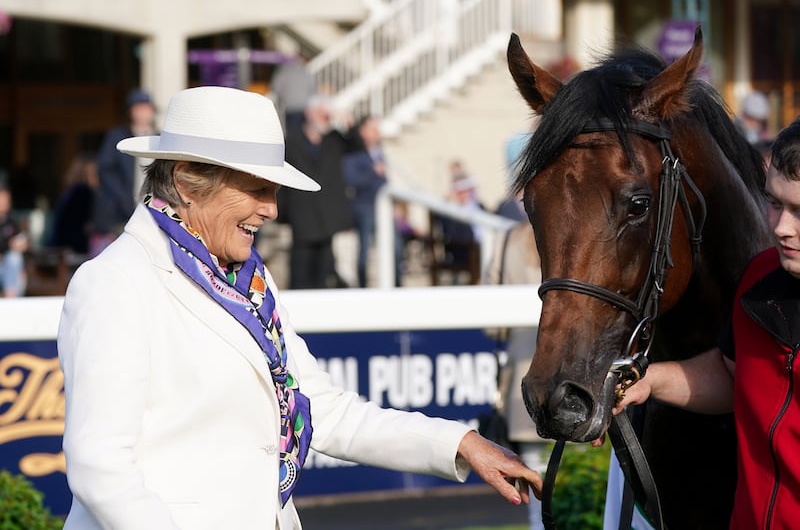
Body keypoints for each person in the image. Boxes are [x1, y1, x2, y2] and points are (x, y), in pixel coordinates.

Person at [57, 86, 542, 530]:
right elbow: (101, 466)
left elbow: (326, 412)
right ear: (187, 180)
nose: (271, 209)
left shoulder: (249, 280)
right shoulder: (115, 282)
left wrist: (460, 443)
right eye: (256, 189)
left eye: (274, 192)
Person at [613, 118, 800, 529]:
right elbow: (734, 376)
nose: (781, 228)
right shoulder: (759, 278)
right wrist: (650, 380)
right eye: (775, 203)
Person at [482, 221, 547, 530]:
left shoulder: (505, 241)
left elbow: (492, 324)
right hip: (579, 378)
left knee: (534, 477)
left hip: (525, 375)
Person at [280, 95, 355, 289]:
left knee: (325, 274)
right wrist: (283, 213)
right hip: (302, 218)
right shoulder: (292, 141)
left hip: (327, 219)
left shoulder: (334, 140)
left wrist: (345, 119)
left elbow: (358, 145)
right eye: (321, 114)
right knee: (300, 274)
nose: (325, 118)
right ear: (309, 113)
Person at [90, 88, 156, 257]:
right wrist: (124, 199)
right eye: (138, 108)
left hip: (151, 212)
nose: (142, 112)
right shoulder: (118, 136)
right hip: (117, 215)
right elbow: (105, 170)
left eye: (146, 107)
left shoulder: (158, 139)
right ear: (130, 111)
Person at [343, 115, 389, 287]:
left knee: (394, 248)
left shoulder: (380, 153)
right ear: (363, 131)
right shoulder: (355, 153)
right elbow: (350, 179)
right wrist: (373, 172)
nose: (377, 132)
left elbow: (385, 181)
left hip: (382, 208)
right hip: (364, 207)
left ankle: (394, 284)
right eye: (373, 128)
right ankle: (363, 286)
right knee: (365, 251)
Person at [49, 154, 98, 254]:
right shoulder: (82, 192)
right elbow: (82, 225)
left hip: (61, 245)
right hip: (73, 249)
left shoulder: (70, 192)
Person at [270, 55, 317, 134]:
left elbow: (275, 87)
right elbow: (311, 88)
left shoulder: (283, 70)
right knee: (302, 133)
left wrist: (283, 97)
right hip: (304, 108)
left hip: (290, 107)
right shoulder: (305, 71)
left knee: (292, 133)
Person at [0, 184, 27, 297]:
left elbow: (21, 239)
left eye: (7, 199)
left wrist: (22, 244)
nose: (5, 202)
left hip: (9, 267)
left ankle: (10, 296)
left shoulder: (11, 221)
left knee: (15, 259)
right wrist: (9, 245)